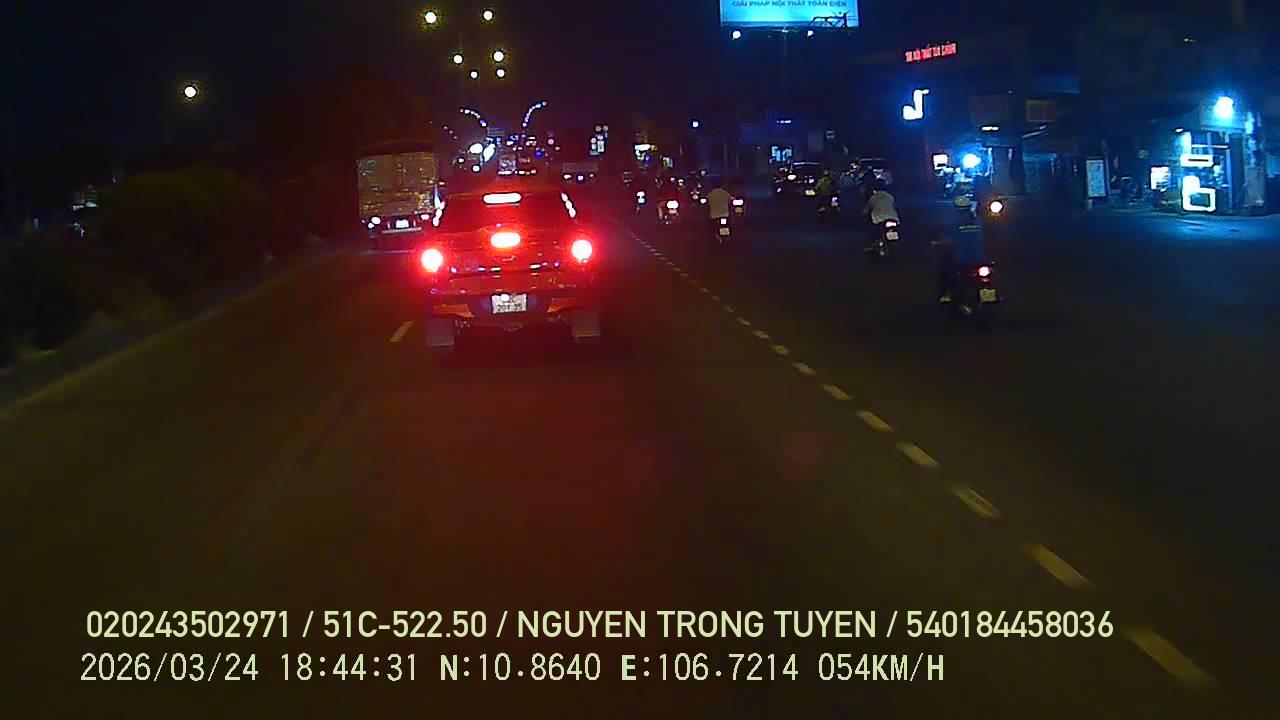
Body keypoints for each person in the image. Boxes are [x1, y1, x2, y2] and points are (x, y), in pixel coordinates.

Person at [933, 194, 988, 303]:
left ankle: (946, 294)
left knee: (944, 268)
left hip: (960, 260)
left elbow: (947, 240)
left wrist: (937, 243)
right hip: (981, 258)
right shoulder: (979, 221)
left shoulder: (954, 224)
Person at [861, 180, 900, 250]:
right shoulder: (890, 196)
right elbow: (895, 207)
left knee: (872, 230)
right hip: (893, 218)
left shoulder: (873, 198)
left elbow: (866, 210)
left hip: (879, 219)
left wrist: (864, 214)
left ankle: (872, 244)